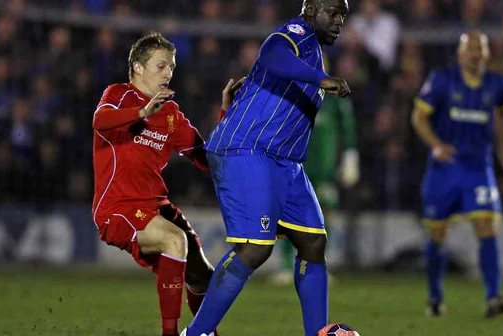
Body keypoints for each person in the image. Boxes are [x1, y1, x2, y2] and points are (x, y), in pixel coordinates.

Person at [182, 1, 352, 335]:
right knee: (255, 249)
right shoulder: (298, 33)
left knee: (313, 243)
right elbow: (273, 53)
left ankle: (317, 333)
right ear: (311, 8)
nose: (339, 21)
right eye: (332, 12)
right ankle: (196, 333)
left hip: (284, 161)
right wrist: (321, 79)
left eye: (343, 15)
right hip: (248, 150)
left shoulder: (315, 51)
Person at [91, 32, 243, 336]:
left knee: (203, 279)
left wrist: (227, 113)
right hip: (118, 207)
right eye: (161, 66)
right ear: (137, 67)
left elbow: (207, 159)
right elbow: (100, 121)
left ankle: (204, 333)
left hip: (156, 206)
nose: (168, 73)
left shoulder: (170, 113)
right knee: (175, 241)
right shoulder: (119, 94)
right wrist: (142, 113)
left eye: (171, 67)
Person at [411, 31, 503, 318]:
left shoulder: (498, 84)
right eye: (470, 48)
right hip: (444, 170)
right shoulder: (441, 80)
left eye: (480, 48)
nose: (475, 54)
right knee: (437, 234)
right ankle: (435, 299)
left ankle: (493, 297)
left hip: (478, 168)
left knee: (487, 226)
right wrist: (436, 145)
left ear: (487, 53)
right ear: (459, 53)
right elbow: (419, 117)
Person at [272, 60, 360, 285]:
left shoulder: (333, 99)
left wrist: (351, 156)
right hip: (294, 167)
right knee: (287, 214)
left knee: (323, 215)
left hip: (324, 171)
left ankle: (317, 263)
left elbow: (347, 128)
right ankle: (285, 265)